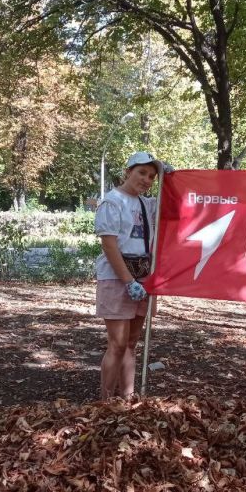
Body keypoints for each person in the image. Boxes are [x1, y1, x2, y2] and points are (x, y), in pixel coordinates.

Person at [94, 151, 161, 400]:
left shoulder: (148, 203)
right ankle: (105, 400)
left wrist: (172, 179)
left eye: (152, 176)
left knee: (131, 343)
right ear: (128, 172)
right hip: (117, 277)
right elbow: (109, 245)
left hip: (143, 277)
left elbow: (176, 205)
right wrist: (128, 281)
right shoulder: (112, 202)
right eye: (141, 172)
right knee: (118, 343)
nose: (146, 179)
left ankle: (128, 398)